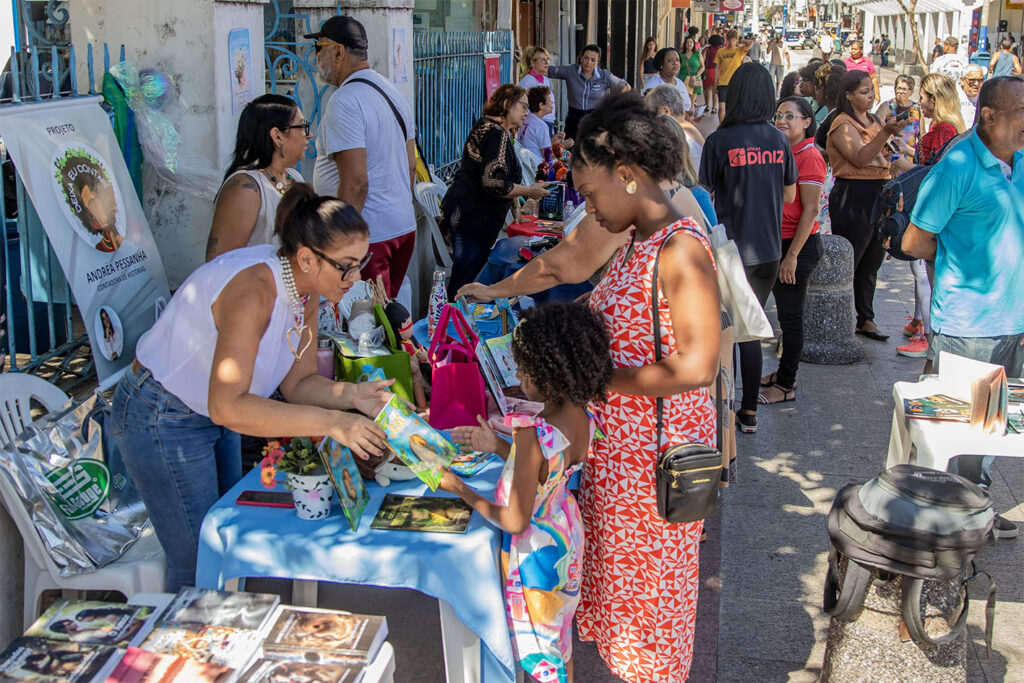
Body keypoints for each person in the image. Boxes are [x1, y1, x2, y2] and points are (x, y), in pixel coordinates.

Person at [109, 184, 392, 591]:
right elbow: (227, 406)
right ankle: (193, 631)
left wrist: (351, 396)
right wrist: (333, 423)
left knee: (226, 542)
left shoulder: (307, 287)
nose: (357, 277)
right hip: (162, 413)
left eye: (360, 262)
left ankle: (219, 626)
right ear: (307, 258)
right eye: (346, 266)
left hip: (208, 410)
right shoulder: (255, 290)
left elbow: (297, 383)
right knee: (199, 562)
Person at [569, 91, 720, 683]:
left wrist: (599, 378)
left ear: (627, 174)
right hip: (620, 467)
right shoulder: (637, 243)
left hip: (654, 476)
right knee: (625, 621)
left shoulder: (680, 248)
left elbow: (698, 365)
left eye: (590, 194)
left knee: (650, 624)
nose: (588, 210)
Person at [440, 303, 611, 683]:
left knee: (540, 656)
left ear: (547, 373)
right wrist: (499, 447)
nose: (516, 375)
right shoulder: (583, 416)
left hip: (535, 555)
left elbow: (515, 520)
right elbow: (547, 470)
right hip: (566, 537)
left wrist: (459, 489)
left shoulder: (533, 433)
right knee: (558, 641)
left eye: (522, 369)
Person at [901, 76, 1024, 540]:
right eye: (1020, 111)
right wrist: (960, 257)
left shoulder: (1020, 160)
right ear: (988, 116)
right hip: (969, 326)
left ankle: (972, 507)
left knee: (990, 427)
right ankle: (942, 518)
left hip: (1012, 321)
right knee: (958, 430)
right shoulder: (957, 165)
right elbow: (914, 241)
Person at [699, 63, 797, 433]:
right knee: (751, 329)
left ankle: (722, 411)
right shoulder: (779, 140)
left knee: (727, 329)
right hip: (769, 249)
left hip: (730, 251)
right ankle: (749, 412)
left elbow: (703, 198)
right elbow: (790, 195)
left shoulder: (718, 141)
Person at [309, 16, 416, 298]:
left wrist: (339, 243)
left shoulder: (345, 101)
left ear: (338, 52)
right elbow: (411, 165)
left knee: (369, 318)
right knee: (385, 313)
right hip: (401, 226)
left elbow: (356, 183)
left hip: (370, 235)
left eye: (319, 48)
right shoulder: (394, 92)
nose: (315, 57)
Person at [440, 84, 550, 297]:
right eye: (523, 107)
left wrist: (514, 204)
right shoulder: (496, 134)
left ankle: (453, 313)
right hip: (473, 217)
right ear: (508, 105)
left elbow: (499, 175)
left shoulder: (487, 126)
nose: (526, 113)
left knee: (466, 275)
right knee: (465, 280)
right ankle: (451, 315)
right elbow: (494, 182)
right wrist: (529, 190)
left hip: (467, 213)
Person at [825, 69, 910, 343]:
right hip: (854, 194)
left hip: (878, 191)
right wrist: (884, 133)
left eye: (872, 91)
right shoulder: (842, 123)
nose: (871, 96)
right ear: (849, 95)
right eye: (864, 92)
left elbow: (882, 153)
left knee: (873, 259)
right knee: (851, 259)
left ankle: (866, 318)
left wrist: (887, 139)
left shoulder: (873, 120)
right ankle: (837, 318)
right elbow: (860, 158)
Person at [759, 97, 825, 404]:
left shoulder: (809, 156)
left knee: (791, 319)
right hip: (780, 242)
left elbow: (810, 210)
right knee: (784, 318)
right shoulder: (784, 150)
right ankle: (783, 373)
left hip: (797, 246)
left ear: (807, 122)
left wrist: (792, 256)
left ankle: (786, 385)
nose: (782, 120)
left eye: (790, 116)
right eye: (778, 115)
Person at [206, 94, 310, 261]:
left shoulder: (294, 177)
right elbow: (220, 263)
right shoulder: (245, 189)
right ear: (277, 136)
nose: (308, 135)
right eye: (303, 127)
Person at [548, 44, 631, 140]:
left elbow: (626, 87)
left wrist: (612, 105)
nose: (588, 62)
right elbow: (548, 71)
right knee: (571, 147)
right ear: (581, 58)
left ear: (597, 62)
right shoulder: (571, 71)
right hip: (574, 118)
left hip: (595, 120)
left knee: (592, 147)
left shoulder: (604, 75)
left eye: (593, 60)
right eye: (586, 58)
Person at [645, 84, 705, 174]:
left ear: (666, 111)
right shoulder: (687, 128)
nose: (650, 121)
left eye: (651, 115)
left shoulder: (676, 136)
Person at [518, 86, 573, 160]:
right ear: (541, 105)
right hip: (536, 164)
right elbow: (547, 156)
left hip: (526, 162)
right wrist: (563, 146)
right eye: (550, 100)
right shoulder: (541, 125)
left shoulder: (527, 119)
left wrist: (553, 141)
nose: (552, 103)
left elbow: (535, 145)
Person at [875, 75, 922, 155]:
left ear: (911, 92)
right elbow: (876, 129)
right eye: (899, 88)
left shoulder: (917, 109)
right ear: (894, 89)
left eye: (904, 89)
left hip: (911, 155)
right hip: (890, 155)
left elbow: (922, 135)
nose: (901, 91)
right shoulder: (886, 106)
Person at [713, 29, 751, 124]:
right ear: (727, 40)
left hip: (735, 82)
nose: (731, 42)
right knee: (722, 107)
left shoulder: (739, 50)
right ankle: (722, 125)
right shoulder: (721, 51)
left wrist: (740, 40)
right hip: (722, 82)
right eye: (730, 40)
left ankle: (731, 124)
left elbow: (750, 43)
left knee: (733, 106)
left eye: (734, 40)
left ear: (736, 40)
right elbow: (717, 67)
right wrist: (715, 82)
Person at [519, 46, 557, 133]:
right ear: (533, 62)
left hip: (549, 122)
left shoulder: (546, 79)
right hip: (537, 124)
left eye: (548, 59)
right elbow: (522, 105)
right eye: (543, 60)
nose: (547, 63)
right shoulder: (527, 81)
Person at [679, 36, 705, 107]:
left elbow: (702, 67)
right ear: (685, 44)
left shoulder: (697, 54)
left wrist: (696, 75)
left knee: (691, 103)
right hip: (683, 80)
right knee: (682, 103)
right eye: (687, 42)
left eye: (691, 42)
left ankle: (691, 113)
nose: (689, 44)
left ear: (694, 44)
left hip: (694, 80)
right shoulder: (680, 55)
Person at [702, 34, 725, 114]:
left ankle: (707, 105)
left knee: (708, 89)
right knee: (715, 90)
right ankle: (714, 107)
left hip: (708, 71)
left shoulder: (707, 49)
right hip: (719, 71)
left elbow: (702, 60)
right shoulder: (722, 50)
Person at [958, 63, 985, 128]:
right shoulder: (955, 96)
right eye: (972, 80)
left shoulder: (984, 97)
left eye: (980, 80)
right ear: (962, 80)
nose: (976, 84)